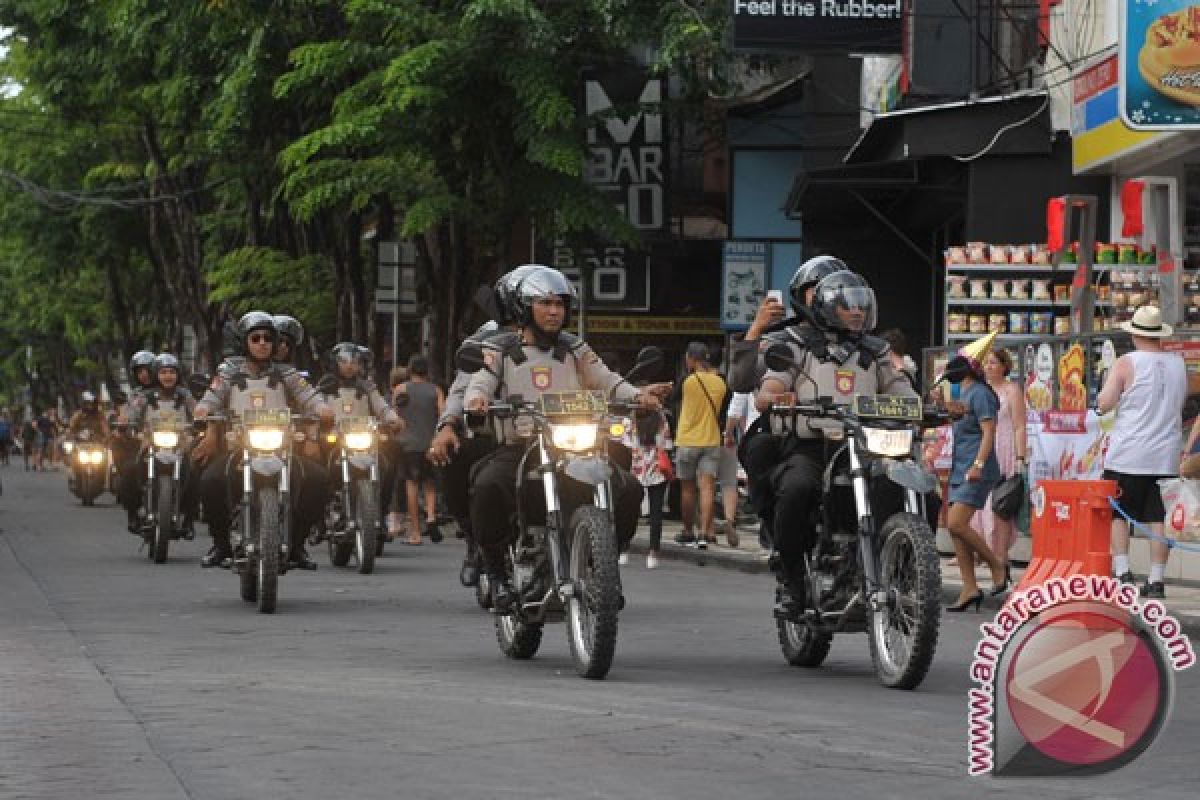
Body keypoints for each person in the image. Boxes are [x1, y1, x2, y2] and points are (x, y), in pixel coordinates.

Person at [463, 265, 666, 610]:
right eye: (545, 303)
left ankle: (603, 568)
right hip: (523, 445)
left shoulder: (575, 349)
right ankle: (496, 573)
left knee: (629, 488)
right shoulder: (499, 349)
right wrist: (476, 402)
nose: (555, 311)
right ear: (524, 307)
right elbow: (479, 382)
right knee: (485, 485)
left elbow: (608, 380)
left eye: (559, 304)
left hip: (575, 446)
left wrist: (638, 396)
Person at [754, 269, 917, 617]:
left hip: (871, 445)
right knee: (795, 490)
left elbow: (902, 391)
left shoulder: (878, 350)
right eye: (847, 306)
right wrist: (774, 395)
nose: (856, 312)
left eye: (861, 306)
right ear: (827, 306)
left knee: (919, 493)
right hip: (813, 447)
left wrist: (933, 406)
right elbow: (772, 383)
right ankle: (792, 579)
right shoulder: (795, 344)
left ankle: (908, 579)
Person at [194, 311, 334, 569]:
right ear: (244, 342)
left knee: (318, 479)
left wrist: (323, 411)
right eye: (255, 338)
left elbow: (310, 397)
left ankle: (297, 546)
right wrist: (203, 413)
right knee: (209, 480)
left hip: (283, 450)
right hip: (240, 449)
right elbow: (209, 400)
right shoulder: (227, 373)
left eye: (268, 339)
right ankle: (221, 545)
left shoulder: (288, 374)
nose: (262, 343)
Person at [730, 256, 848, 548]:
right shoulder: (785, 338)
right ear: (800, 295)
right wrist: (757, 329)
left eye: (835, 287)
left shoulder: (862, 342)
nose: (825, 293)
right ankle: (775, 527)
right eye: (816, 288)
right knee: (764, 451)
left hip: (852, 437)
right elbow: (741, 382)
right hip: (797, 435)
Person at [1099, 305, 1188, 599]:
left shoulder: (1126, 363)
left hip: (1129, 453)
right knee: (1158, 517)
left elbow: (1105, 403)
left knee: (1118, 515)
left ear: (1135, 334)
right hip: (1166, 454)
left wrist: (1103, 390)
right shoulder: (1178, 364)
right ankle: (1157, 579)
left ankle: (1123, 573)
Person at [937, 338, 1008, 612]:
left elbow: (989, 432)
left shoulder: (979, 393)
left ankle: (995, 563)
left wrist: (978, 464)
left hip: (976, 468)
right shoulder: (963, 393)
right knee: (955, 530)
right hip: (961, 466)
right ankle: (969, 587)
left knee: (956, 523)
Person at [120, 354, 198, 534]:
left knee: (195, 473)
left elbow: (198, 411)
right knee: (130, 470)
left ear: (178, 374)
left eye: (172, 372)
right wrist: (124, 420)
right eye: (163, 372)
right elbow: (131, 412)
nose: (168, 376)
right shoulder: (144, 396)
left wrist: (202, 418)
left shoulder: (185, 396)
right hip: (150, 446)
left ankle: (189, 519)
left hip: (180, 447)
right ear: (156, 374)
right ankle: (133, 513)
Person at [973, 348, 1027, 576]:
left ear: (1005, 366)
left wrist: (1020, 456)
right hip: (982, 452)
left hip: (1004, 451)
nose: (989, 367)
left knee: (1001, 507)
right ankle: (984, 553)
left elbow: (1019, 425)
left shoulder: (1011, 390)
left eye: (994, 362)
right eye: (986, 363)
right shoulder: (979, 391)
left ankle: (1001, 556)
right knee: (978, 507)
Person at [671, 342, 727, 549]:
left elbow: (672, 398)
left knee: (687, 489)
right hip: (711, 441)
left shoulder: (688, 381)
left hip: (687, 440)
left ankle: (688, 531)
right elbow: (723, 412)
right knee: (707, 488)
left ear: (692, 359)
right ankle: (705, 533)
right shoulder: (721, 383)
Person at [394, 354, 445, 545]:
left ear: (410, 370)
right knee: (430, 482)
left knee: (412, 485)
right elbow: (443, 414)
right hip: (431, 443)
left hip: (408, 444)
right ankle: (431, 516)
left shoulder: (401, 389)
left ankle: (415, 532)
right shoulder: (436, 390)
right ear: (427, 371)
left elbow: (394, 416)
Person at [626, 406, 672, 568]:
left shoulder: (632, 419)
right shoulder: (661, 419)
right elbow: (666, 444)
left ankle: (624, 548)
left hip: (637, 469)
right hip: (657, 469)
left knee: (630, 511)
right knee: (656, 513)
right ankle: (653, 553)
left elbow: (627, 442)